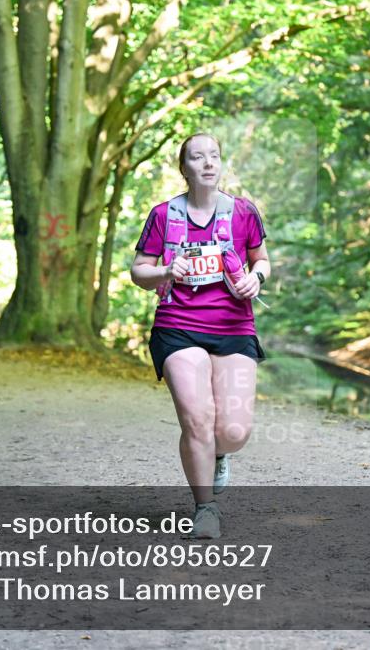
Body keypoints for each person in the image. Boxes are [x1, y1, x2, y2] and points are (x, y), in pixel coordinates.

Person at [130, 133, 270, 539]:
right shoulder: (164, 214)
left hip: (233, 326)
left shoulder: (243, 212)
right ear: (184, 167)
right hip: (177, 324)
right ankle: (205, 507)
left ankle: (220, 453)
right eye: (197, 157)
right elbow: (140, 270)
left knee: (233, 431)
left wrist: (255, 279)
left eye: (214, 156)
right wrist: (166, 272)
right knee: (197, 418)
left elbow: (261, 260)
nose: (207, 163)